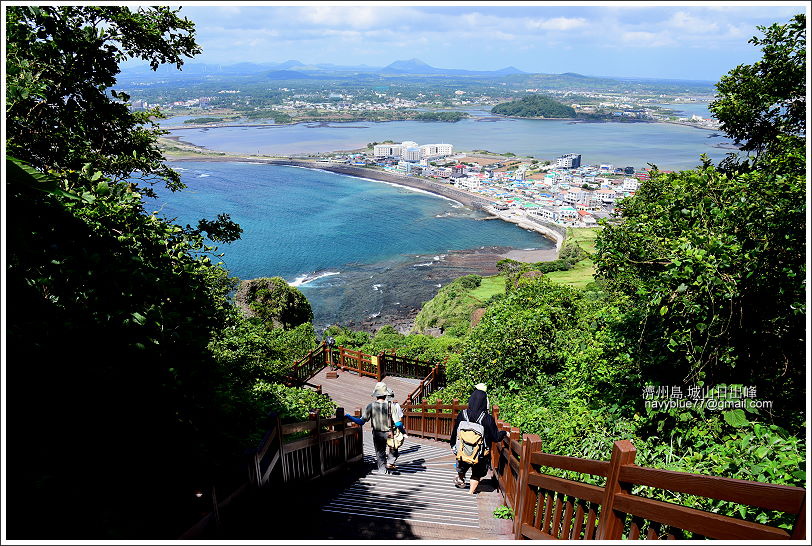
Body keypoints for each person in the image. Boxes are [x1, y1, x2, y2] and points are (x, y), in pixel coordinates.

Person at [449, 386, 506, 494]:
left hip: (463, 449)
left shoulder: (463, 414)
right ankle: (470, 493)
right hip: (481, 454)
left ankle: (460, 478)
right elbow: (495, 437)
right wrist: (504, 433)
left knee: (462, 465)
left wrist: (453, 445)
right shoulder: (487, 418)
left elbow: (455, 432)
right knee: (476, 474)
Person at [345, 382, 404, 474]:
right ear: (385, 394)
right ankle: (390, 461)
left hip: (377, 433)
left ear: (376, 395)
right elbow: (397, 423)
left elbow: (361, 421)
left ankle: (382, 470)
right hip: (389, 432)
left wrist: (350, 417)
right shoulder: (391, 406)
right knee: (394, 447)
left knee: (380, 452)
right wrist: (403, 431)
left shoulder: (371, 406)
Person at [386, 387, 406, 469]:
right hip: (392, 428)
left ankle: (382, 464)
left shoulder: (377, 405)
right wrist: (401, 429)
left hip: (380, 429)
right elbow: (400, 417)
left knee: (381, 447)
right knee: (393, 445)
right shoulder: (395, 405)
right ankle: (390, 463)